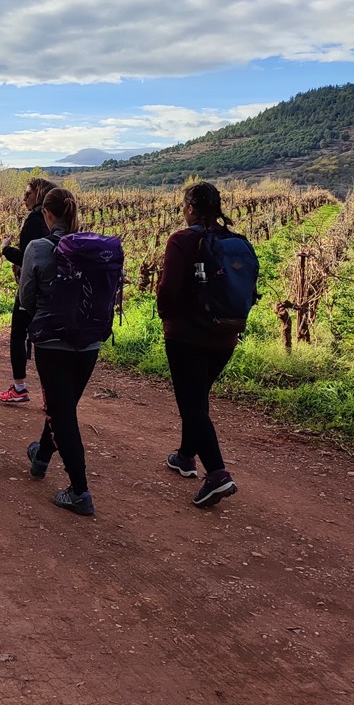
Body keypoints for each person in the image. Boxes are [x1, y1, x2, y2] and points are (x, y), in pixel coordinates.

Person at [157, 182, 244, 509]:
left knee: (192, 404)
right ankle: (185, 456)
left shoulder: (182, 240)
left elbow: (168, 290)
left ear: (190, 208)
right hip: (225, 337)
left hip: (187, 336)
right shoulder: (234, 241)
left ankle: (217, 474)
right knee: (197, 398)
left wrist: (168, 317)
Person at [18, 188, 104, 518]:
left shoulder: (38, 247)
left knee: (62, 411)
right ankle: (40, 456)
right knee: (63, 404)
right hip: (90, 342)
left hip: (52, 341)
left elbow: (26, 299)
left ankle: (80, 491)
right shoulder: (96, 247)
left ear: (48, 215)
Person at [0, 176, 55, 404]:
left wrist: (5, 249)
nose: (24, 197)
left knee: (18, 335)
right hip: (51, 287)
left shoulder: (34, 219)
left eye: (28, 192)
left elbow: (27, 257)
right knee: (44, 339)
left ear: (39, 194)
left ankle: (19, 388)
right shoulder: (55, 219)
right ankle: (49, 393)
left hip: (30, 287)